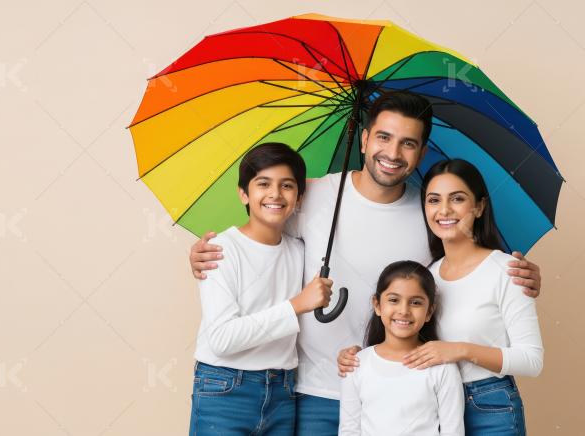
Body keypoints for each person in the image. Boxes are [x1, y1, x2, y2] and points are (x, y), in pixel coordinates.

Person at [188, 91, 543, 436]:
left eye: (408, 143)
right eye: (384, 137)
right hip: (312, 392)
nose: (392, 152)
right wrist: (205, 251)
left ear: (420, 154)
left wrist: (518, 279)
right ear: (364, 139)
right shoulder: (311, 194)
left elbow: (460, 272)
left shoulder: (431, 211)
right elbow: (262, 231)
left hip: (395, 395)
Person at [338, 159, 543, 435]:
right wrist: (358, 357)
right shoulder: (429, 275)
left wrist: (461, 350)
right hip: (430, 403)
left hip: (489, 405)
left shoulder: (507, 271)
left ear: (479, 207)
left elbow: (531, 361)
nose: (444, 210)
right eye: (434, 200)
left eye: (457, 199)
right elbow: (400, 330)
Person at [189, 142, 333, 435]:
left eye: (287, 186)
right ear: (243, 193)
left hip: (282, 392)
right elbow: (222, 339)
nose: (275, 195)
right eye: (263, 183)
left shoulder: (299, 250)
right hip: (225, 390)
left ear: (300, 196)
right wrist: (295, 306)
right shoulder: (221, 251)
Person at [338, 260, 464, 436]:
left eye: (416, 303)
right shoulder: (356, 364)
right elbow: (349, 430)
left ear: (429, 312)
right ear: (377, 305)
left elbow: (453, 431)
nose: (404, 310)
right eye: (394, 300)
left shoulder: (442, 367)